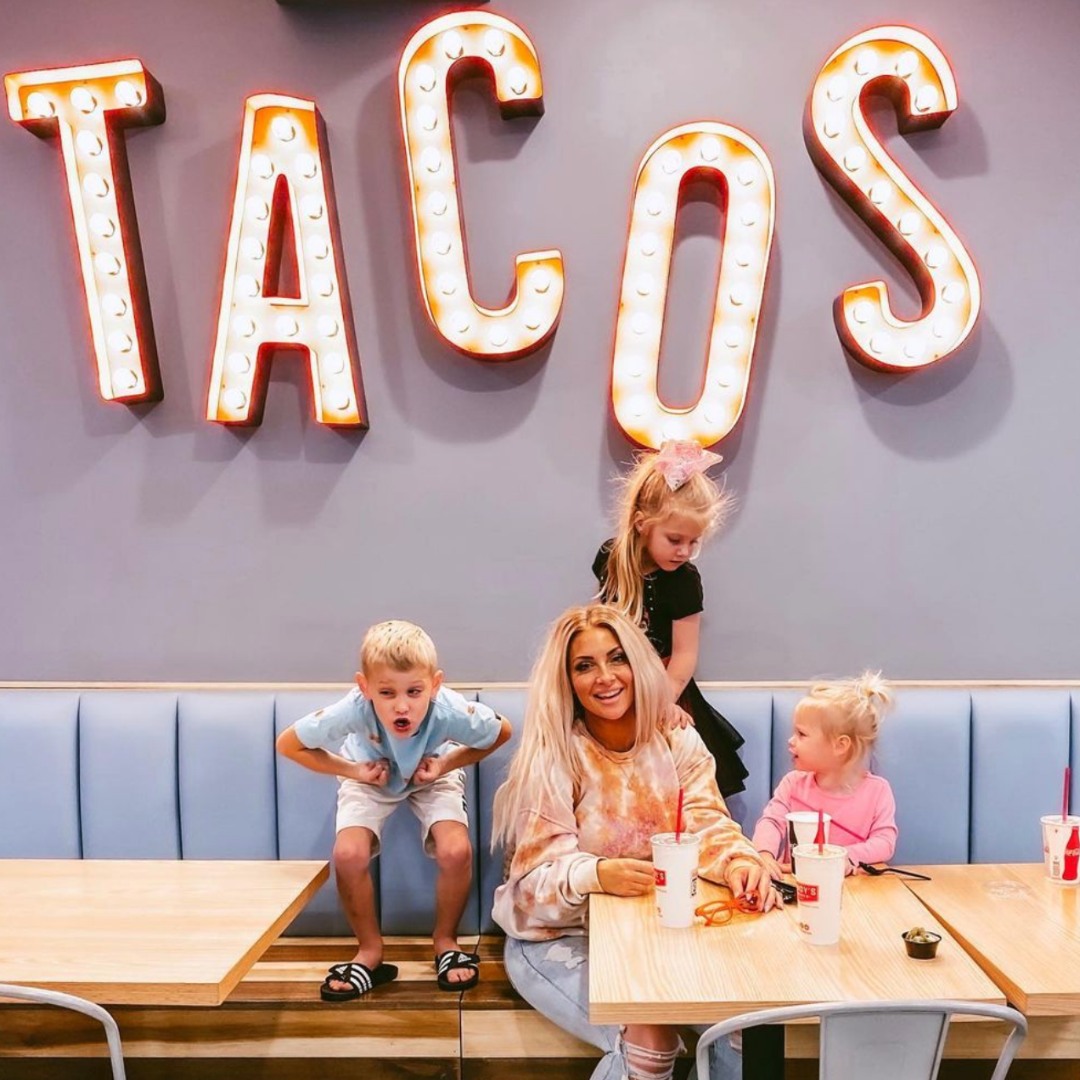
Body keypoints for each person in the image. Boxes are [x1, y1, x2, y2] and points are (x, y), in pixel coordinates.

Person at [491, 604, 777, 1080]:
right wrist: (597, 874)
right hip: (557, 937)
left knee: (746, 1024)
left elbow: (707, 822)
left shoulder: (677, 740)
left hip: (658, 936)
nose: (605, 677)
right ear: (567, 681)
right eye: (585, 665)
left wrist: (739, 862)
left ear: (638, 663)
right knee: (650, 1037)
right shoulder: (555, 756)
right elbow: (530, 890)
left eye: (617, 658)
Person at [277, 619, 511, 1001]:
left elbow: (501, 732)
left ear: (435, 684)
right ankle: (369, 952)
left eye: (414, 691)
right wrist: (354, 771)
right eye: (386, 692)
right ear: (364, 687)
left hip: (431, 770)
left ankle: (446, 942)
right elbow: (288, 744)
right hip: (371, 774)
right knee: (347, 855)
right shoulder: (355, 709)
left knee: (456, 850)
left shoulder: (447, 709)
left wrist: (445, 764)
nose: (402, 706)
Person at [593, 440, 748, 796]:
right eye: (675, 539)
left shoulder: (684, 580)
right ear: (641, 524)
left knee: (675, 784)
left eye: (694, 542)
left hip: (666, 686)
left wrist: (661, 701)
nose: (685, 551)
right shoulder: (610, 559)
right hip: (619, 681)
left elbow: (684, 655)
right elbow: (601, 631)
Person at [752, 672, 897, 877]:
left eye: (801, 734)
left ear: (840, 745)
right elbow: (771, 822)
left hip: (852, 888)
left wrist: (844, 857)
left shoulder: (877, 791)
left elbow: (885, 842)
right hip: (797, 884)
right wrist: (764, 855)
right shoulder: (792, 784)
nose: (791, 741)